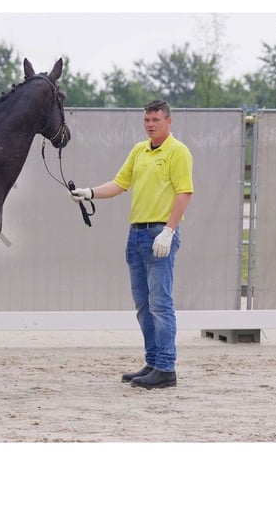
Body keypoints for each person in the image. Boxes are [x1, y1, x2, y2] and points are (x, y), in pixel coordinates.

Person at [71, 100, 193, 389]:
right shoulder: (139, 151)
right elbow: (120, 183)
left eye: (156, 120)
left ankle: (166, 367)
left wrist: (169, 230)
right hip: (136, 234)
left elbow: (184, 193)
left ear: (168, 121)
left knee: (161, 304)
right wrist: (90, 193)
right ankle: (152, 361)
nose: (151, 124)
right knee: (143, 304)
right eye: (147, 120)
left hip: (159, 234)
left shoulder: (178, 152)